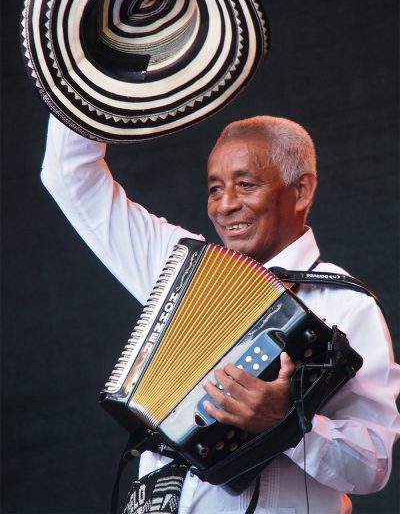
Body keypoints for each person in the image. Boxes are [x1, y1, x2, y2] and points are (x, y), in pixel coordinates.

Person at [41, 113, 400, 513]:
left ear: (300, 191)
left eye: (246, 185)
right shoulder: (183, 269)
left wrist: (286, 424)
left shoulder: (346, 305)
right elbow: (69, 176)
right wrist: (86, 77)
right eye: (215, 188)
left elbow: (373, 465)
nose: (225, 205)